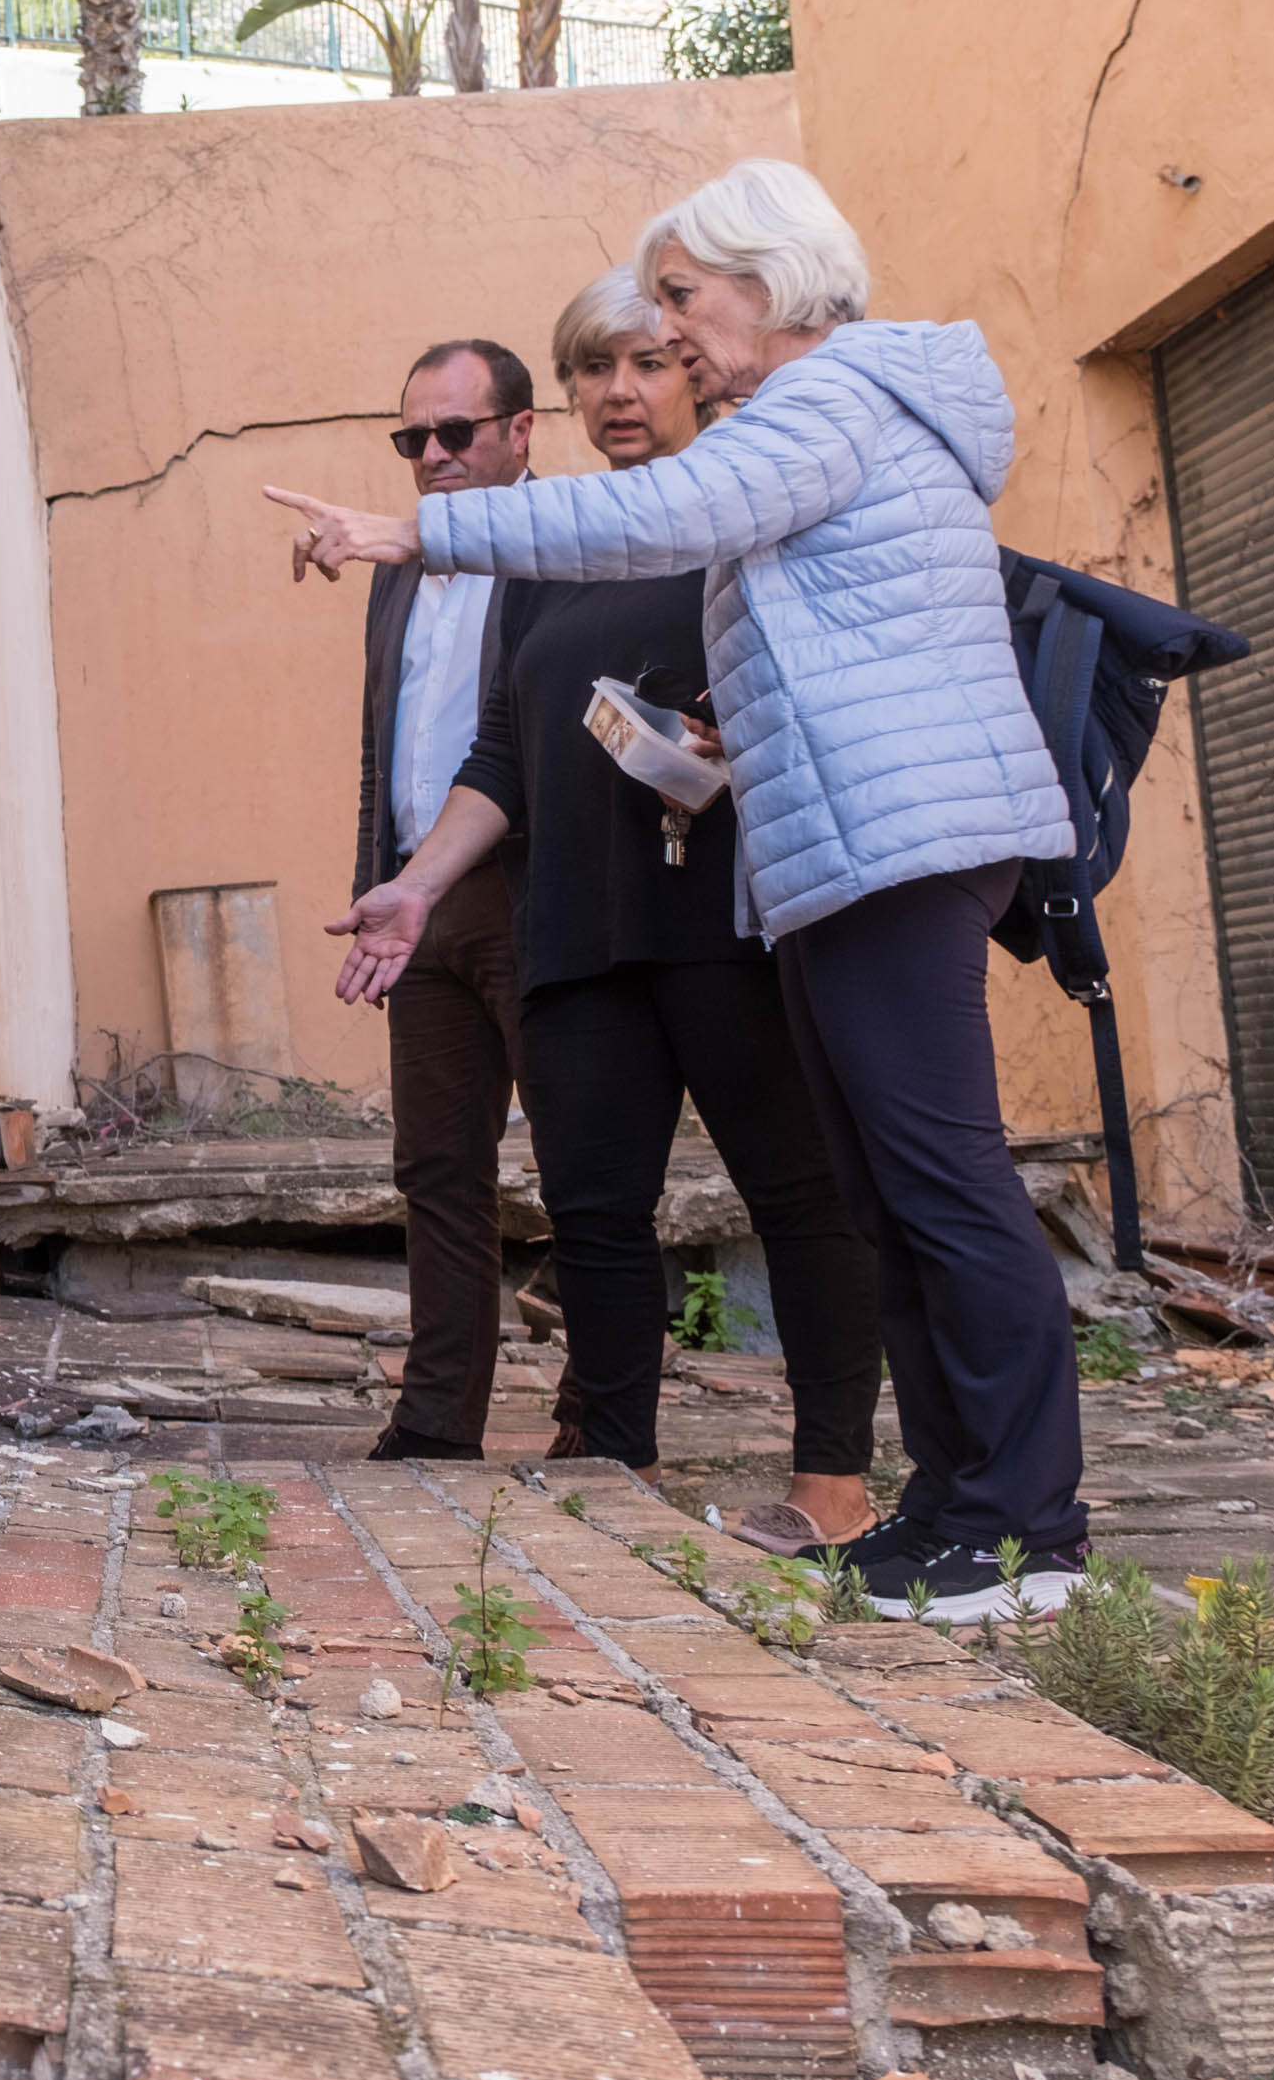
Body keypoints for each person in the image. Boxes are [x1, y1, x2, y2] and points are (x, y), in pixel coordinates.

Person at [268, 160, 1089, 1622]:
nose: (671, 335)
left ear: (767, 285)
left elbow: (654, 517)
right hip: (843, 849)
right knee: (896, 1192)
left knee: (944, 1184)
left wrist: (424, 526)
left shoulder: (828, 402)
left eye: (681, 302)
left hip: (898, 842)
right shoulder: (819, 414)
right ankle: (953, 1508)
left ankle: (1030, 1525)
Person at [355, 271, 887, 1551]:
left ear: (693, 371)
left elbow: (842, 680)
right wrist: (415, 885)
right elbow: (499, 751)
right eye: (595, 371)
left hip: (726, 919)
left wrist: (737, 739)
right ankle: (613, 1474)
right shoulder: (554, 548)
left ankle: (830, 1481)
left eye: (647, 363)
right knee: (592, 1214)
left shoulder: (741, 513)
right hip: (576, 928)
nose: (621, 392)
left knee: (793, 1192)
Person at [323, 339, 537, 1464]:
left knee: (589, 1168)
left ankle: (602, 1423)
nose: (435, 456)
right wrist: (378, 877)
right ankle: (437, 1421)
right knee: (438, 1168)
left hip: (532, 891)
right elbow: (387, 743)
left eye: (457, 432)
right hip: (419, 903)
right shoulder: (398, 570)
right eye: (414, 439)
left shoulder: (567, 545)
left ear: (519, 431)